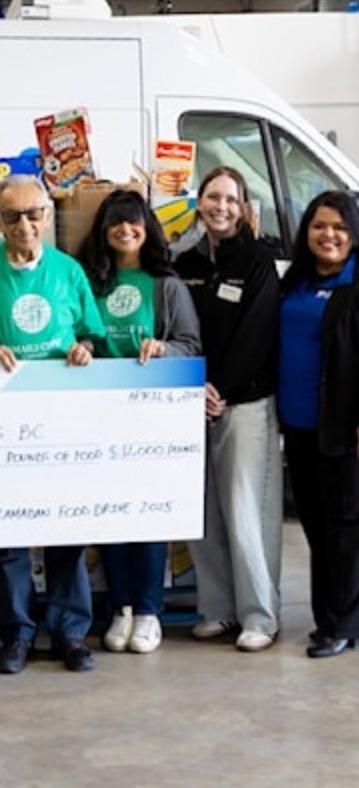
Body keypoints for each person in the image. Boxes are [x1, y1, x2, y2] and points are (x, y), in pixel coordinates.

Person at [0, 174, 105, 674]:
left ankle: (70, 632)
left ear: (48, 215)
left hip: (62, 419)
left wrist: (85, 350)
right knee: (10, 532)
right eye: (13, 216)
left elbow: (92, 337)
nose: (25, 225)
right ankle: (16, 634)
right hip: (2, 420)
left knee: (66, 528)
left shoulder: (69, 272)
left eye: (34, 214)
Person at [78, 189, 201, 654]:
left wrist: (163, 349)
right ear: (103, 229)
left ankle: (149, 611)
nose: (125, 230)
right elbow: (77, 335)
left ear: (146, 228)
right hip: (99, 416)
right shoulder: (89, 284)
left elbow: (190, 344)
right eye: (115, 222)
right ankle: (122, 607)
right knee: (111, 515)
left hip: (151, 421)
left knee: (148, 514)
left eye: (134, 222)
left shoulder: (167, 286)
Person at [174, 166, 283, 652]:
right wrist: (196, 390)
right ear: (199, 201)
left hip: (244, 404)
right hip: (193, 404)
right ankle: (217, 609)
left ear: (243, 208)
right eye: (213, 197)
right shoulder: (184, 261)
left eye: (231, 199)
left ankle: (259, 615)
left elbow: (257, 334)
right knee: (203, 515)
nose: (221, 206)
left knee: (245, 513)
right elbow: (179, 328)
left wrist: (218, 389)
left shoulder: (258, 260)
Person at [278, 191, 359, 658]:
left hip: (343, 429)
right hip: (299, 425)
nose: (328, 235)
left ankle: (342, 624)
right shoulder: (296, 281)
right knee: (315, 526)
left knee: (345, 528)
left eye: (340, 228)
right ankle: (327, 617)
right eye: (319, 226)